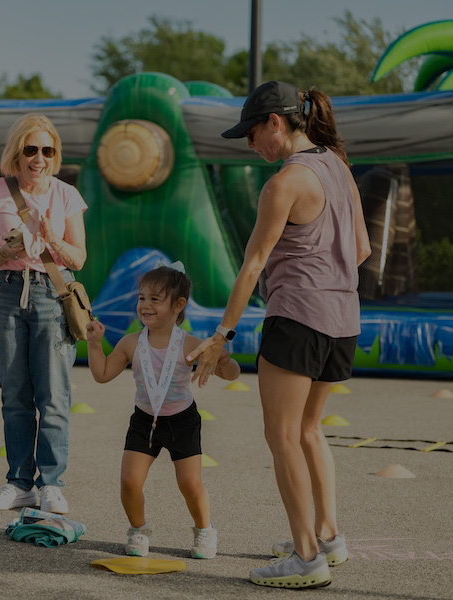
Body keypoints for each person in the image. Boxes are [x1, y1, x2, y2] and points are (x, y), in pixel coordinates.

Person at [188, 81, 372, 588]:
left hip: (297, 318)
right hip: (343, 319)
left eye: (251, 134)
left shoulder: (284, 183)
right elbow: (361, 249)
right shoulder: (339, 166)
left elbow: (253, 266)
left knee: (282, 436)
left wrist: (222, 335)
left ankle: (307, 558)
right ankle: (327, 537)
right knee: (310, 429)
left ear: (275, 122)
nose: (250, 145)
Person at [85, 264, 240, 558]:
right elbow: (102, 374)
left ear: (178, 305)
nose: (145, 305)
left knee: (190, 484)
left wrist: (223, 359)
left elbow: (231, 374)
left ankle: (204, 530)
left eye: (155, 299)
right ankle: (138, 530)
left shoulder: (191, 344)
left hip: (183, 421)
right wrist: (94, 343)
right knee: (129, 481)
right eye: (142, 298)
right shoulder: (130, 343)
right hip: (144, 420)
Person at [0, 113, 87, 514]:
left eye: (47, 151)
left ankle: (52, 483)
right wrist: (8, 250)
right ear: (17, 153)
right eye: (31, 150)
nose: (39, 158)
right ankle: (19, 482)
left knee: (53, 395)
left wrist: (51, 237)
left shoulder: (66, 195)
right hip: (7, 292)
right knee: (15, 394)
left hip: (51, 294)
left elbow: (79, 258)